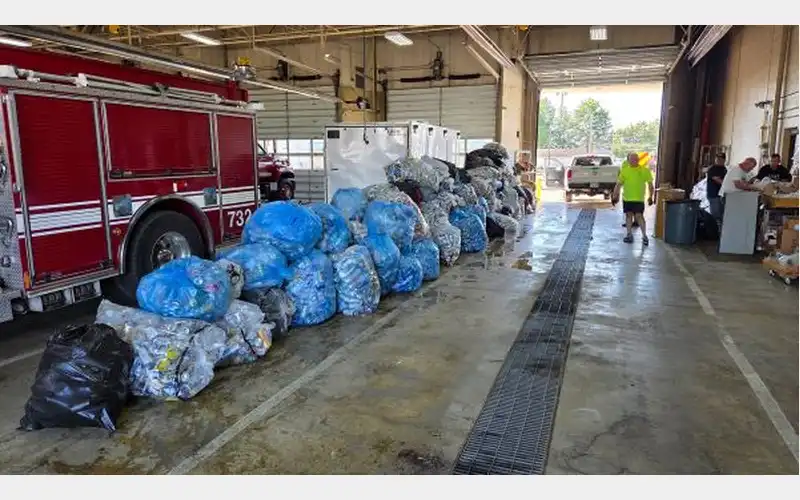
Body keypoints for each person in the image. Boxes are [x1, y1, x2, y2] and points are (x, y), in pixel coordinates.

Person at [612, 152, 655, 245]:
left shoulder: (645, 170)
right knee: (628, 216)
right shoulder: (625, 171)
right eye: (632, 159)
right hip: (627, 198)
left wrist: (650, 196)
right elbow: (618, 184)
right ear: (628, 160)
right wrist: (615, 195)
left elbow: (650, 185)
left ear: (638, 160)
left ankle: (644, 236)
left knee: (639, 216)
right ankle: (629, 235)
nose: (634, 161)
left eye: (636, 159)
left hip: (639, 199)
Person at [705, 153, 728, 227]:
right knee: (716, 215)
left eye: (720, 159)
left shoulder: (724, 169)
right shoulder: (713, 169)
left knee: (721, 214)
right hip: (713, 195)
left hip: (720, 195)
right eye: (717, 159)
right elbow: (717, 180)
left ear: (724, 160)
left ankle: (720, 232)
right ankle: (714, 232)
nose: (718, 160)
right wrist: (728, 185)